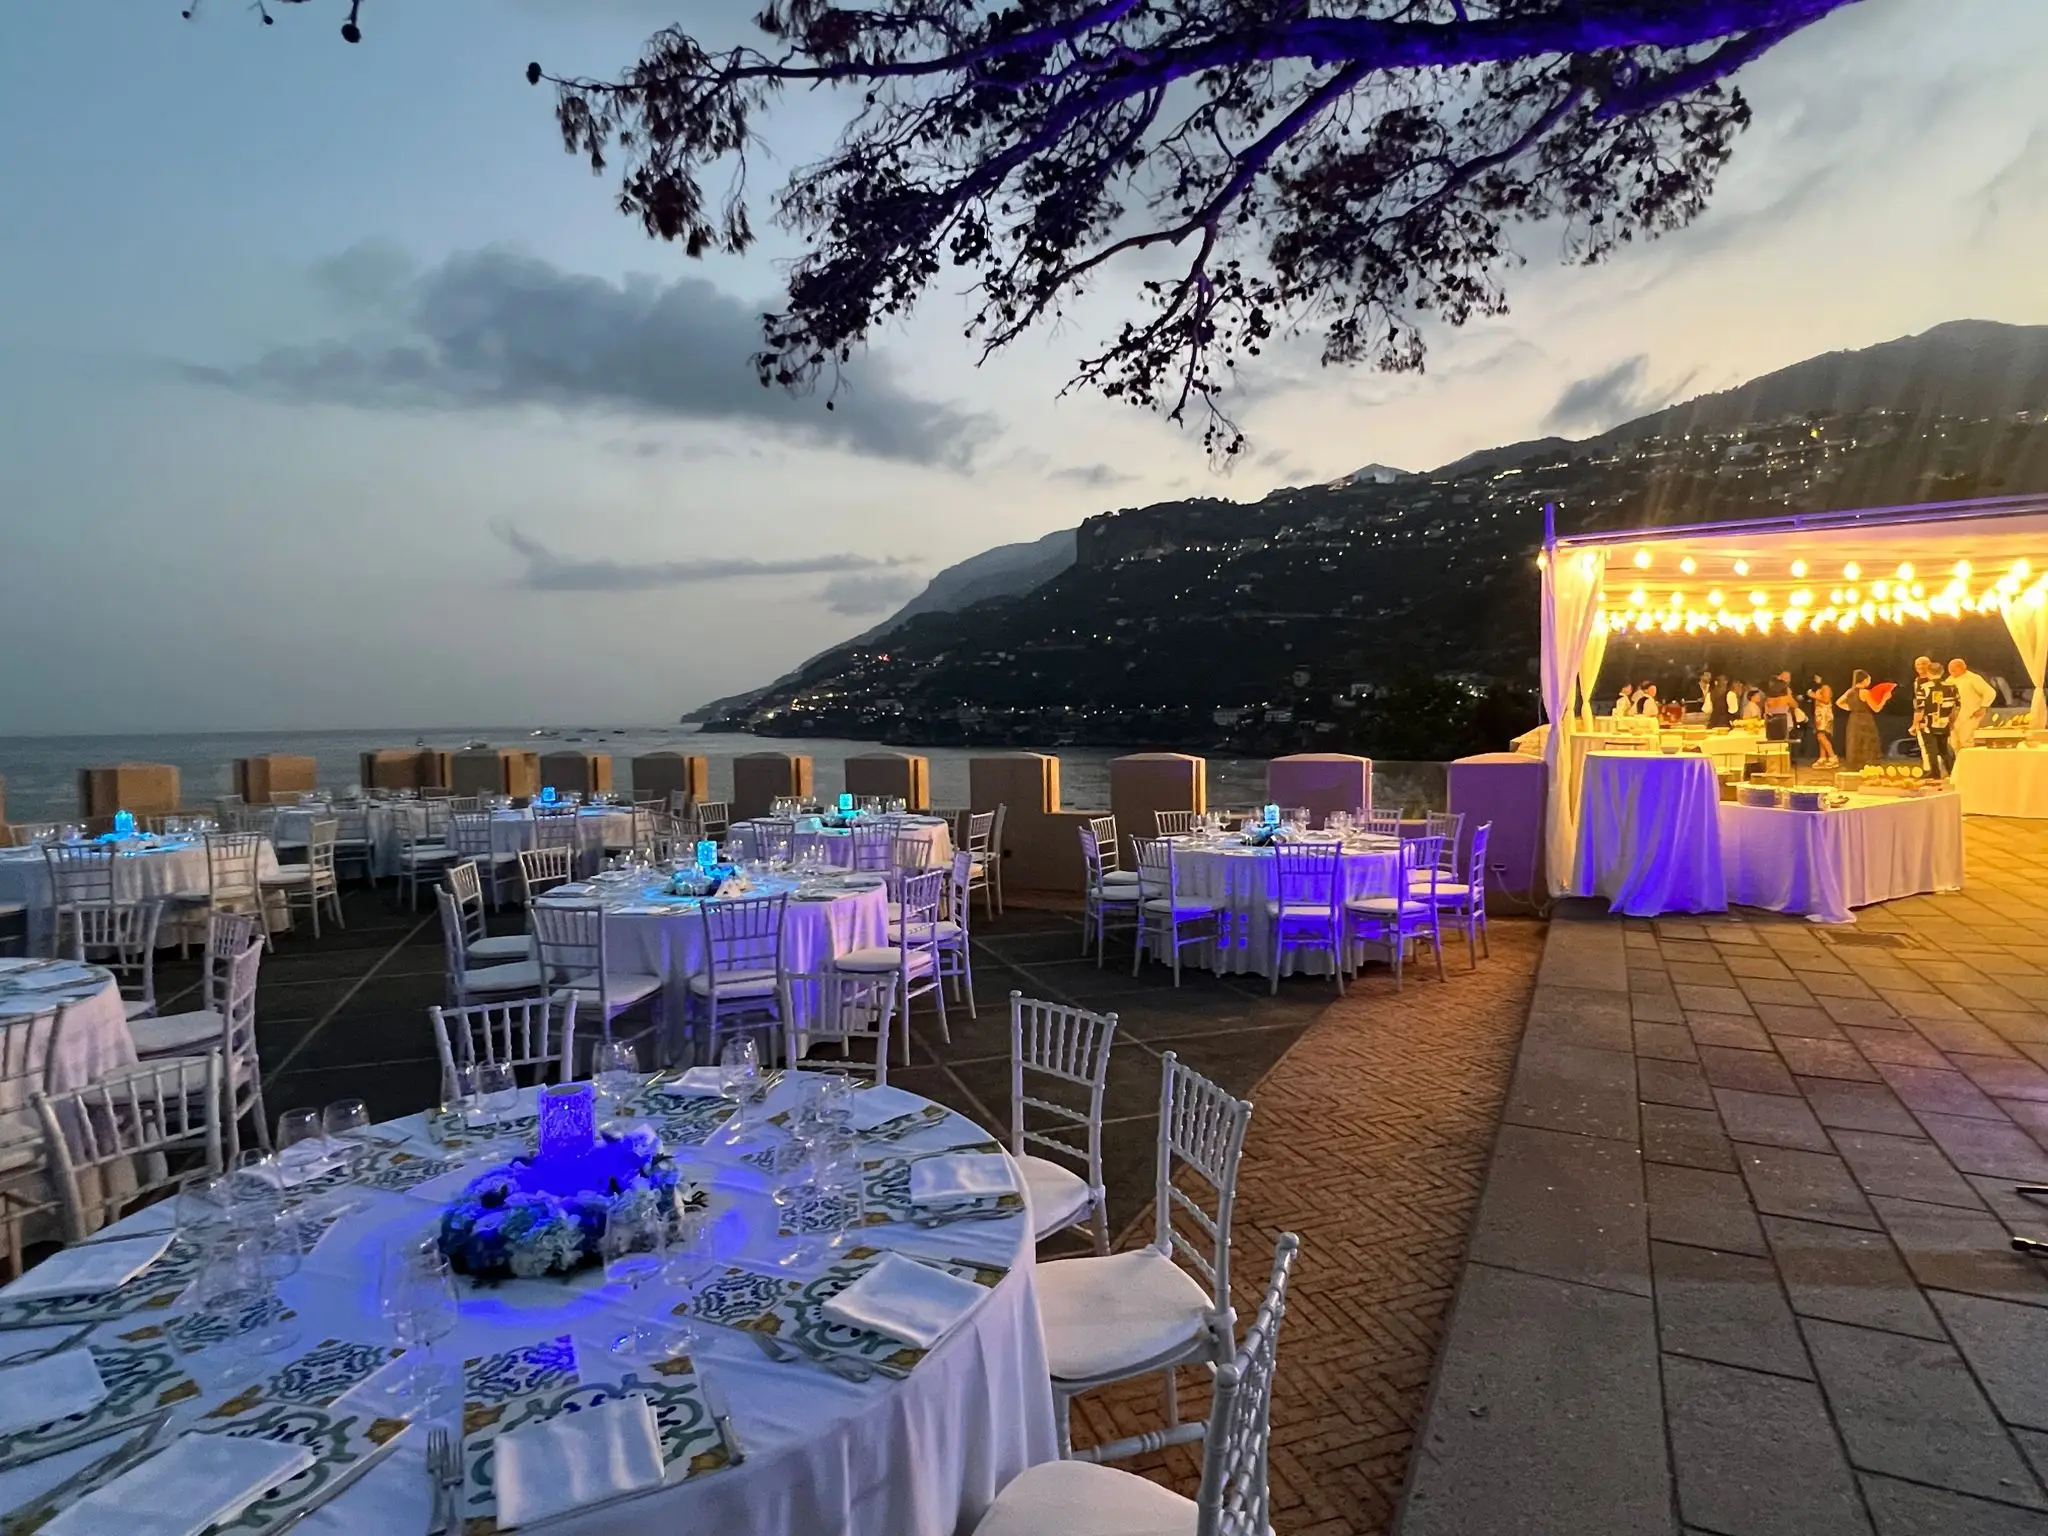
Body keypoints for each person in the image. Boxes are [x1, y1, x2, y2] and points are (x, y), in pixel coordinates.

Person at [1922, 664, 1961, 779]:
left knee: (1931, 750)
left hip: (1928, 722)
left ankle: (1935, 774)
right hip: (1944, 721)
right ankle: (1952, 773)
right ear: (1942, 672)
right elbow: (1957, 706)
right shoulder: (1951, 686)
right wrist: (1952, 720)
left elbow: (1920, 708)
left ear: (1928, 673)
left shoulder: (1925, 687)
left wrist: (1915, 724)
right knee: (1944, 749)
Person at [1948, 657, 1997, 748]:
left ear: (1962, 668)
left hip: (1970, 715)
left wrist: (1983, 707)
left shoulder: (1973, 678)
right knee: (1953, 743)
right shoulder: (1949, 680)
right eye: (1950, 669)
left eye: (1954, 669)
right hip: (1954, 717)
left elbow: (1990, 692)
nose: (1951, 671)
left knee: (1966, 741)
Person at [1843, 669, 1882, 770]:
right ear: (1864, 680)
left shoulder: (1850, 691)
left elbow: (1839, 702)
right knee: (1867, 743)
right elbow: (1876, 709)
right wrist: (1885, 699)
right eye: (1869, 680)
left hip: (1853, 719)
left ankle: (1854, 767)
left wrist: (1852, 708)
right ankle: (1868, 767)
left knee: (1854, 743)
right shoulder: (1865, 692)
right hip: (1865, 719)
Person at [1908, 656, 1938, 773]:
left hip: (1931, 717)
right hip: (1921, 716)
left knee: (1933, 746)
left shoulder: (1933, 681)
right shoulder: (1917, 681)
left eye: (1923, 664)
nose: (1920, 667)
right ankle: (1928, 770)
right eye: (1918, 664)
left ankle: (1935, 771)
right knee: (1923, 746)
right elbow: (1917, 703)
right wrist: (1915, 722)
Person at [1807, 674, 1838, 768]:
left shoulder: (1826, 687)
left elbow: (1826, 700)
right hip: (1819, 714)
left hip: (1824, 715)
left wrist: (1813, 695)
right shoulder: (1820, 688)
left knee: (1821, 736)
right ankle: (1822, 757)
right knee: (1820, 737)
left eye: (1817, 677)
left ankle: (1832, 757)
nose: (1816, 679)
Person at [1762, 673, 1795, 742]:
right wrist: (1789, 695)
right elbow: (1795, 705)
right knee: (1784, 744)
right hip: (1785, 724)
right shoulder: (1786, 698)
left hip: (1771, 724)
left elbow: (1766, 712)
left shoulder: (1768, 700)